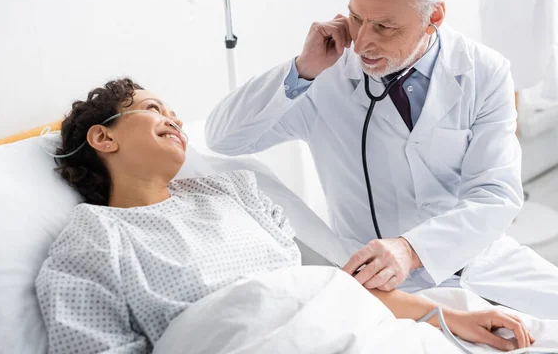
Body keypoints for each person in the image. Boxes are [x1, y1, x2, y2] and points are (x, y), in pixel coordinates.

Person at [35, 79, 533, 353]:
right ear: (104, 138)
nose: (175, 118)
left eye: (172, 110)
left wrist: (453, 318)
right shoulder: (94, 238)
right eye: (151, 108)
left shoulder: (232, 191)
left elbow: (329, 291)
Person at [204, 0, 558, 319]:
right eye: (357, 18)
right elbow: (222, 137)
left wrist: (411, 248)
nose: (362, 44)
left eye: (385, 27)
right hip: (382, 283)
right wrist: (303, 68)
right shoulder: (325, 77)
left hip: (482, 258)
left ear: (433, 17)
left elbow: (495, 194)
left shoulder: (484, 71)